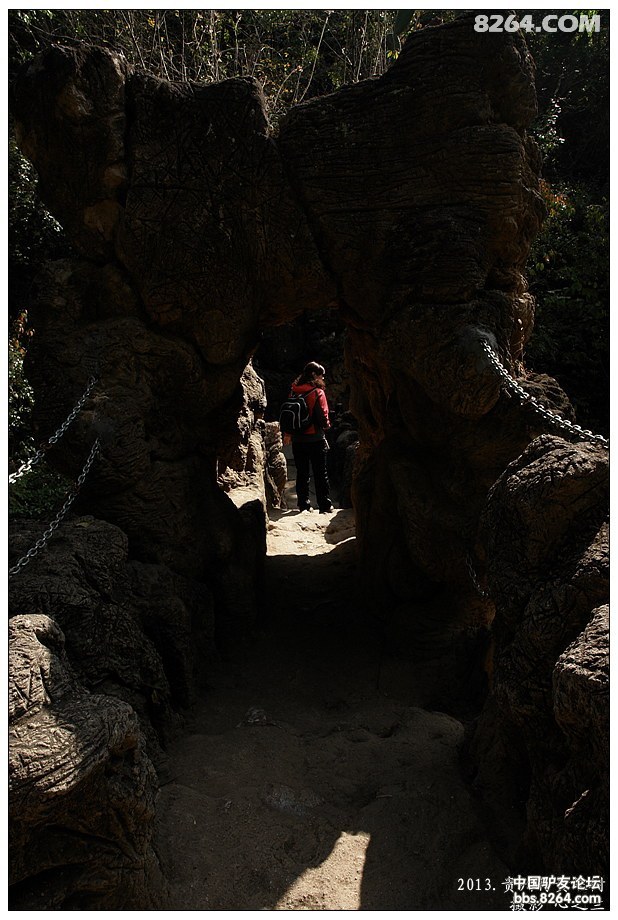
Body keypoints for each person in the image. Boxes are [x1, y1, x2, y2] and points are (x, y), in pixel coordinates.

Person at [287, 361, 334, 514]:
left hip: (298, 439)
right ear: (314, 375)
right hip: (315, 438)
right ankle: (324, 504)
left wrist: (288, 434)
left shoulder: (294, 391)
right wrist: (326, 425)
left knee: (302, 472)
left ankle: (303, 505)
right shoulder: (317, 392)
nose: (323, 379)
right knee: (320, 472)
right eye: (322, 376)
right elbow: (323, 416)